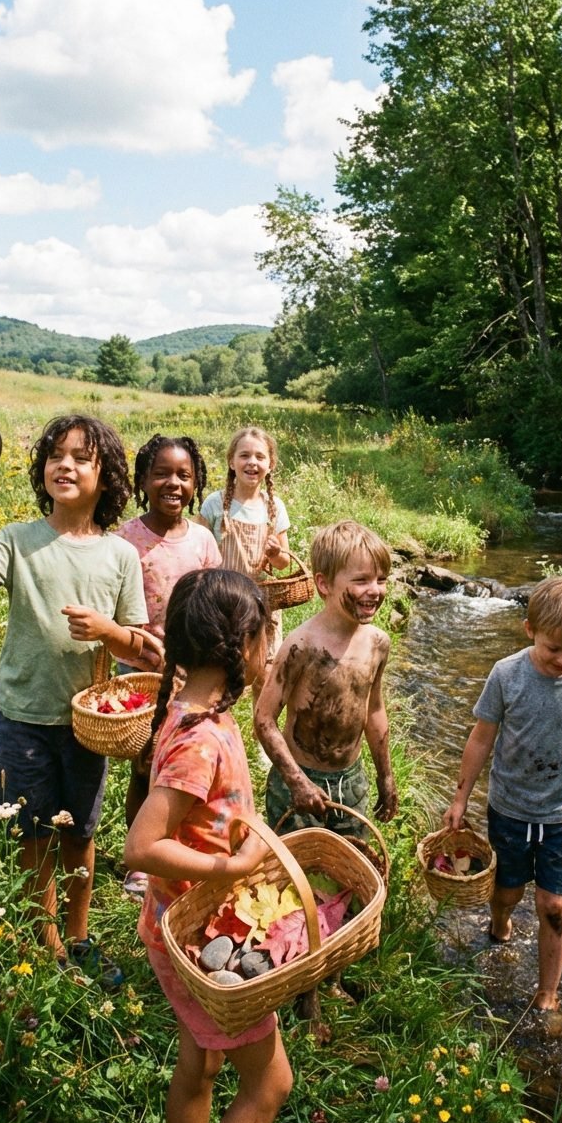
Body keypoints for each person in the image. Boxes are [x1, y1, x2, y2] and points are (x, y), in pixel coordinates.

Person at [0, 414, 156, 988]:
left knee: (81, 834)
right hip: (24, 718)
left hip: (89, 725)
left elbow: (142, 645)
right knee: (34, 836)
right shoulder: (16, 539)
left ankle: (80, 934)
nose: (65, 464)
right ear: (42, 469)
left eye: (81, 457)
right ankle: (48, 941)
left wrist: (107, 632)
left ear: (105, 476)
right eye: (56, 455)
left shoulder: (119, 555)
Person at [124, 569, 293, 1123]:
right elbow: (141, 847)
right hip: (195, 940)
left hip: (178, 926)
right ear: (239, 647)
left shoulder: (194, 708)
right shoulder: (200, 739)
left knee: (201, 1061)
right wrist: (231, 866)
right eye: (264, 638)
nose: (269, 650)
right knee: (271, 1085)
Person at [442, 575, 562, 1013]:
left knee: (554, 903)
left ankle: (546, 994)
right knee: (508, 891)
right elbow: (480, 739)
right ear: (529, 628)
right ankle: (500, 922)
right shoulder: (507, 674)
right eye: (554, 649)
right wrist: (460, 798)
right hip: (509, 808)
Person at [253, 519, 398, 1031]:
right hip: (299, 783)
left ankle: (331, 972)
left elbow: (373, 710)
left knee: (346, 881)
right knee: (297, 888)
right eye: (359, 580)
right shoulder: (302, 645)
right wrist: (295, 779)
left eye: (380, 578)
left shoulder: (377, 643)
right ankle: (302, 993)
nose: (373, 590)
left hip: (350, 782)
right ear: (323, 583)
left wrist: (385, 775)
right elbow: (264, 721)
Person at [117, 433, 221, 897]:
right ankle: (137, 858)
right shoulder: (126, 539)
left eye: (183, 474)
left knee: (181, 769)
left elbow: (216, 602)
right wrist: (139, 644)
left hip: (192, 676)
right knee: (143, 765)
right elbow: (112, 606)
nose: (172, 483)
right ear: (143, 479)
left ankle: (178, 847)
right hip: (139, 673)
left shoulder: (201, 539)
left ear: (196, 481)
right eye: (161, 473)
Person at [198, 426, 290, 694]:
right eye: (245, 455)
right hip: (224, 600)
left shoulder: (274, 507)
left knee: (264, 671)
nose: (252, 462)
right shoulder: (215, 505)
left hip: (263, 602)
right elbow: (199, 551)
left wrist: (275, 554)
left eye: (260, 457)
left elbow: (284, 562)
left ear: (270, 464)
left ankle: (262, 727)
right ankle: (218, 727)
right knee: (222, 669)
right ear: (231, 461)